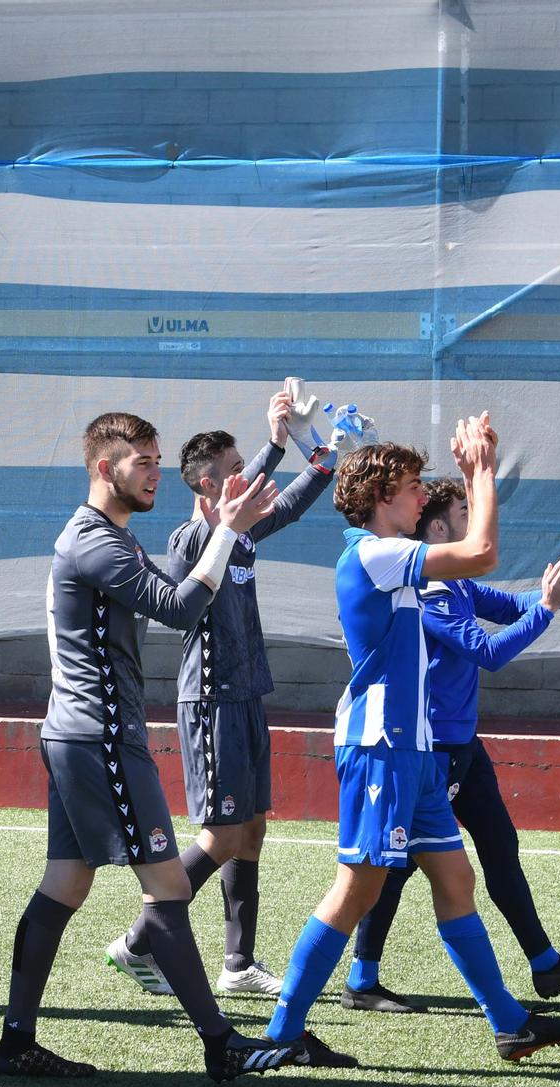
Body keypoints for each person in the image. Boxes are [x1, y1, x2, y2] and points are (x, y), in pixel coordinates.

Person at [0, 408, 322, 1083]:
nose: (152, 471)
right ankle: (220, 1042)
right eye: (139, 461)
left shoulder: (106, 537)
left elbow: (177, 591)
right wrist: (227, 529)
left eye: (154, 458)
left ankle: (16, 1040)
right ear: (101, 467)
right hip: (102, 737)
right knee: (167, 888)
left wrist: (235, 519)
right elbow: (177, 607)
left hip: (80, 733)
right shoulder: (96, 541)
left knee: (64, 884)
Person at [264, 414, 560, 1064]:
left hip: (412, 750)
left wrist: (548, 592)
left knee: (455, 876)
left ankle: (510, 1023)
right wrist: (481, 473)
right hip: (379, 744)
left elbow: (480, 583)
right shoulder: (373, 552)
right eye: (414, 487)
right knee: (356, 888)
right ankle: (282, 1033)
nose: (423, 497)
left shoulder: (399, 562)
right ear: (383, 498)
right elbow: (482, 553)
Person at [342, 476, 560, 1013]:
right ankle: (361, 979)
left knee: (499, 845)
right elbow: (488, 651)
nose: (472, 520)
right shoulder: (432, 588)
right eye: (464, 511)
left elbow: (513, 606)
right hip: (429, 745)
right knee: (394, 867)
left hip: (463, 742)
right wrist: (551, 607)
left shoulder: (457, 583)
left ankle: (544, 963)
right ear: (440, 526)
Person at [103, 380, 336, 998]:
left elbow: (290, 501)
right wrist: (273, 443)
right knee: (220, 834)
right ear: (206, 484)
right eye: (236, 471)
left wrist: (323, 451)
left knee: (252, 829)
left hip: (246, 697)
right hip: (208, 703)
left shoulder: (243, 534)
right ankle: (137, 939)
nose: (249, 478)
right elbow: (225, 529)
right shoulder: (190, 540)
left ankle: (237, 964)